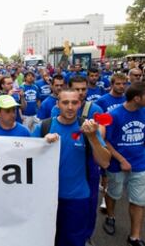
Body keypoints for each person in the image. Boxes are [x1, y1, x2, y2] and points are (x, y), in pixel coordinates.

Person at [32, 88, 111, 246]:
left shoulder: (87, 128)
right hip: (47, 198)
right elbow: (25, 157)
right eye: (65, 102)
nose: (70, 107)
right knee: (46, 240)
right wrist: (42, 144)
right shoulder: (44, 127)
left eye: (74, 102)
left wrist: (92, 138)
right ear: (57, 104)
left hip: (77, 198)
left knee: (74, 241)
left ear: (80, 104)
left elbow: (105, 162)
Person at [103, 82, 145, 246]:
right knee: (114, 194)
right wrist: (121, 160)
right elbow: (105, 141)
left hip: (140, 164)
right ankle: (111, 216)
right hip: (117, 166)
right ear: (137, 98)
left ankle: (134, 236)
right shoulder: (114, 115)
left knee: (138, 200)